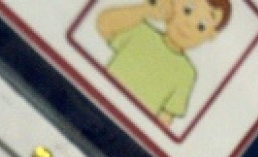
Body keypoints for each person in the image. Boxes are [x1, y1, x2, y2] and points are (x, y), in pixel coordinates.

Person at [97, 0, 232, 126]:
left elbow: (166, 116)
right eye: (187, 10)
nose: (189, 24)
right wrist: (146, 10)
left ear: (211, 35)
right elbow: (104, 24)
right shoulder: (142, 32)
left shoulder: (186, 74)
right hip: (99, 100)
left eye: (201, 26)